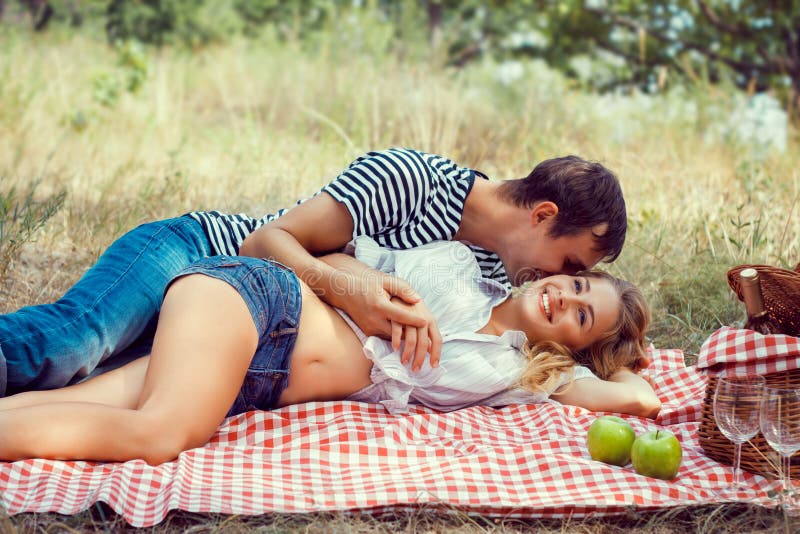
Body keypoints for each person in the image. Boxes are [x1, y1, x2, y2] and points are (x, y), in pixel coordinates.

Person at [0, 148, 627, 396]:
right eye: (570, 265)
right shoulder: (410, 179)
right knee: (65, 349)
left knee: (79, 389)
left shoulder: (494, 274)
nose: (555, 280)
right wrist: (350, 291)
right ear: (544, 215)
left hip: (243, 327)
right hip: (199, 252)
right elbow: (266, 240)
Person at [0, 238, 657, 465]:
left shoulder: (520, 372)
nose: (563, 301)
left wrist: (626, 356)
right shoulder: (455, 267)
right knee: (158, 433)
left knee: (69, 407)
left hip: (254, 375)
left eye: (581, 318)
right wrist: (372, 291)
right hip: (264, 307)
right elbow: (339, 259)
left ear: (575, 345)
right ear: (550, 274)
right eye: (574, 285)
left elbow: (634, 399)